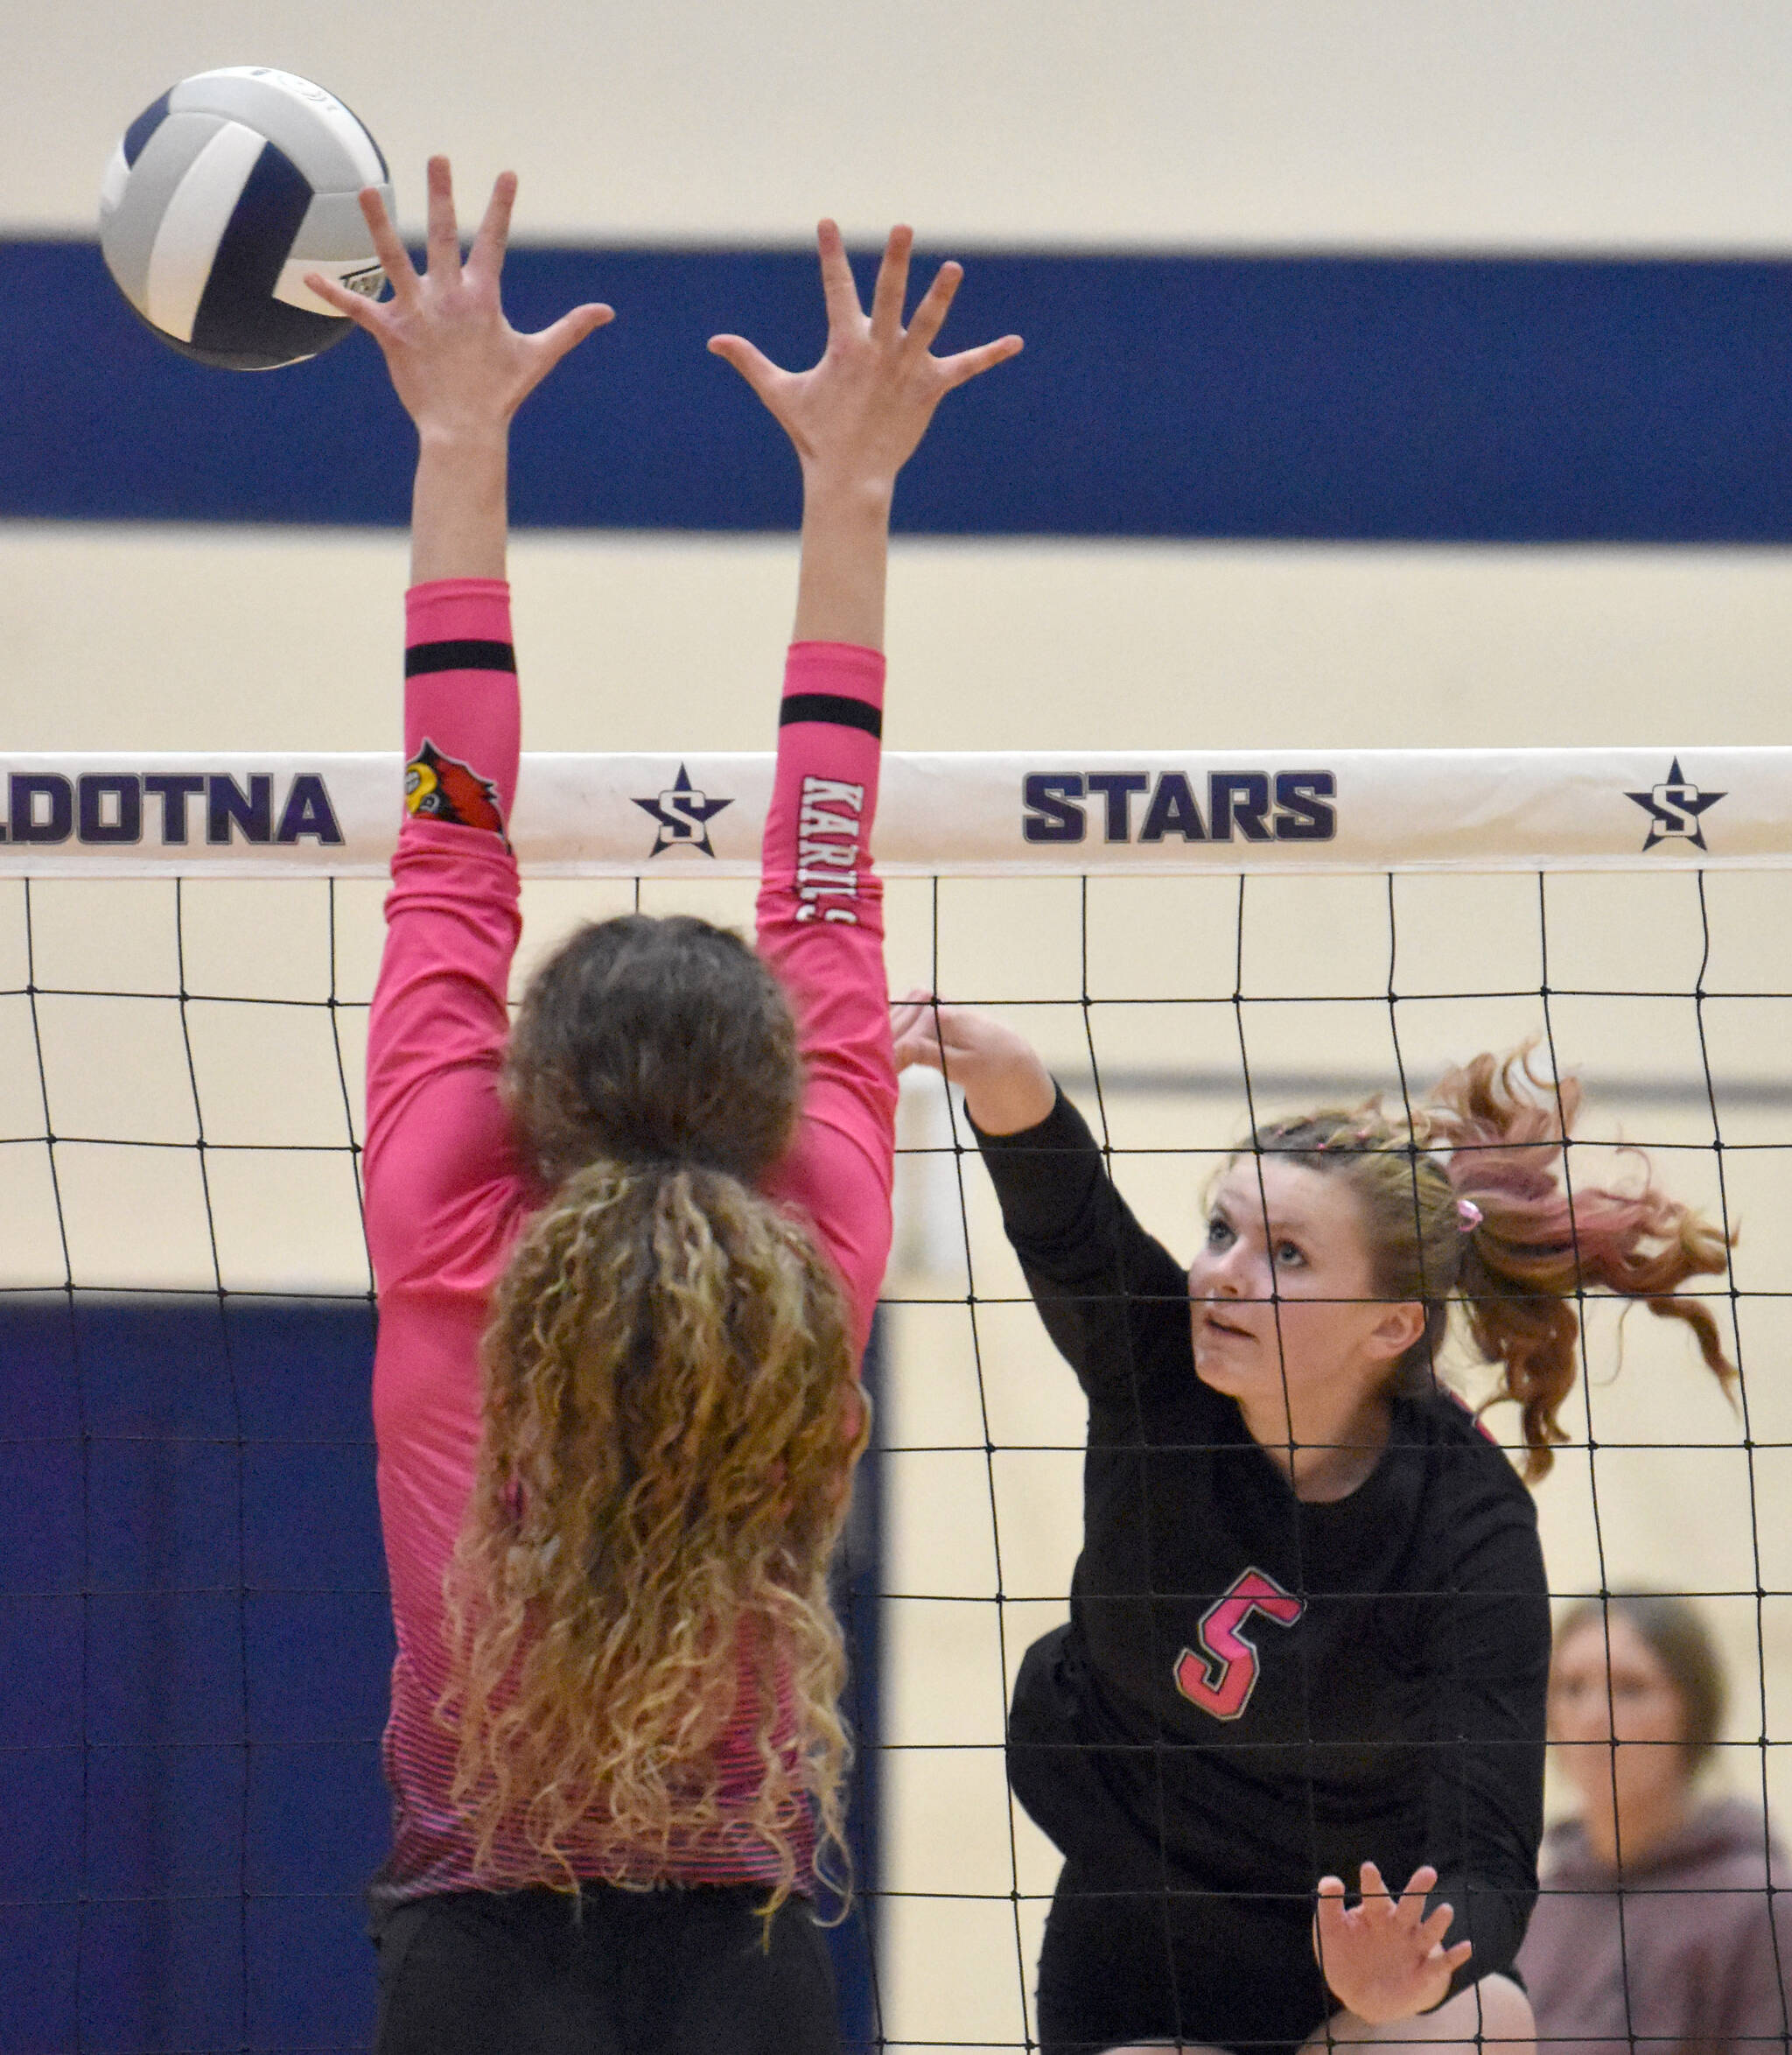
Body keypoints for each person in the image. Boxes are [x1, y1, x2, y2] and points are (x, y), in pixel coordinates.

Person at [306, 161, 1019, 2053]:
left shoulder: (452, 1210)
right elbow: (825, 870)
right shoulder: (817, 1234)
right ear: (778, 1088)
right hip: (746, 1942)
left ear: (523, 1087)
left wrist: (455, 436)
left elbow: (449, 845)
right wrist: (852, 486)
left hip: (477, 1931)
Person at [889, 1004, 1737, 2055]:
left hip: (1355, 1961)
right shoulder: (1158, 1373)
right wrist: (1012, 1083)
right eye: (1220, 1229)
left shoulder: (1465, 1521)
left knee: (1489, 2020)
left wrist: (1414, 1963)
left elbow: (1489, 1851)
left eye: (1284, 1252)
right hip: (1140, 1950)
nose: (1224, 1274)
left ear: (1390, 1325)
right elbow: (1071, 1227)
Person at [1518, 1592, 1792, 2055]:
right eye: (1571, 1687)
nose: (1592, 1717)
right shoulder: (1538, 1902)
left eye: (1629, 1687)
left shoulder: (1762, 1904)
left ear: (1695, 1713)